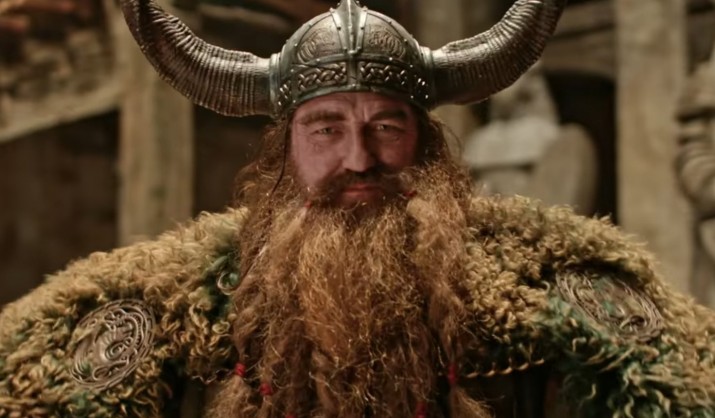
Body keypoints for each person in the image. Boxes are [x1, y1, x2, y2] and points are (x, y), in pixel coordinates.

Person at [1, 0, 714, 417]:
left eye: (385, 127)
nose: (359, 158)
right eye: (326, 129)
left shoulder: (550, 294)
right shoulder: (168, 305)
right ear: (283, 151)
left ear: (425, 143)